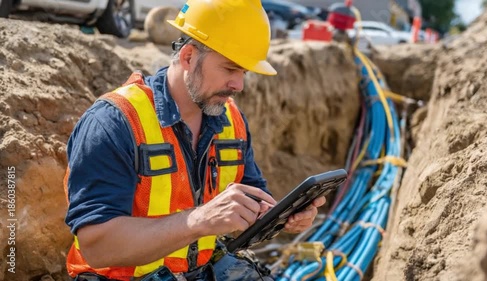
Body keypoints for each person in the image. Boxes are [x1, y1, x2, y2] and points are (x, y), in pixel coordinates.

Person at [63, 0, 326, 280]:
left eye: (244, 72)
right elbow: (97, 246)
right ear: (188, 57)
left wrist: (280, 217)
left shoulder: (230, 121)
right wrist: (199, 221)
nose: (240, 85)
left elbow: (251, 199)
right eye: (229, 69)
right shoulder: (115, 122)